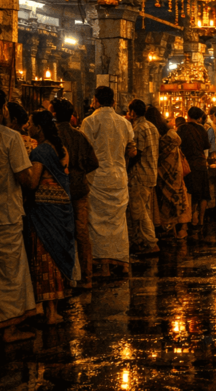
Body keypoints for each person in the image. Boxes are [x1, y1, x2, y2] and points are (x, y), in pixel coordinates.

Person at [0, 88, 39, 341]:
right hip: (4, 214)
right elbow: (26, 178)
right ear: (2, 110)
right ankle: (9, 327)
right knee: (9, 272)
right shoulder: (9, 138)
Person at [25, 111, 75, 325]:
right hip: (60, 207)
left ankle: (50, 312)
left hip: (45, 211)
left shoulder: (41, 151)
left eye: (31, 123)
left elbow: (33, 182)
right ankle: (53, 309)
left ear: (39, 128)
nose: (28, 127)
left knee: (45, 256)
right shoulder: (58, 149)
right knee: (56, 254)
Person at [81, 86, 135, 278]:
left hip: (98, 178)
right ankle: (123, 262)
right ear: (114, 102)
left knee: (97, 221)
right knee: (119, 221)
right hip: (119, 176)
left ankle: (103, 266)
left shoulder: (89, 122)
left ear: (95, 100)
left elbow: (85, 151)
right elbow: (132, 150)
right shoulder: (124, 123)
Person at [52, 99, 97, 290]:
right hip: (79, 188)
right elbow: (93, 162)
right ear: (72, 116)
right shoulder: (79, 136)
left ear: (54, 114)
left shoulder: (52, 137)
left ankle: (64, 277)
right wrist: (79, 172)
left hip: (59, 189)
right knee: (82, 232)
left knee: (59, 231)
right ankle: (87, 277)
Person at [148, 106, 190, 241]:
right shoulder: (171, 133)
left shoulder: (157, 135)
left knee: (165, 199)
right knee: (178, 196)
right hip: (175, 170)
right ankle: (181, 228)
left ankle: (170, 228)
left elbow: (156, 154)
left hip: (164, 171)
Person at [126, 99, 160, 256]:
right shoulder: (152, 127)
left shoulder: (139, 128)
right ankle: (140, 241)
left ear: (133, 112)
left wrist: (127, 167)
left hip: (140, 174)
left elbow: (136, 154)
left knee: (139, 211)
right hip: (151, 172)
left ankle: (151, 242)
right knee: (144, 208)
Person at [177, 107, 212, 228]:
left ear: (188, 115)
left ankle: (191, 218)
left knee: (191, 192)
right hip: (201, 163)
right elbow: (206, 146)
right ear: (199, 118)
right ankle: (201, 219)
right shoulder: (202, 129)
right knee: (203, 194)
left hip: (189, 164)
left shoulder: (182, 129)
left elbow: (177, 144)